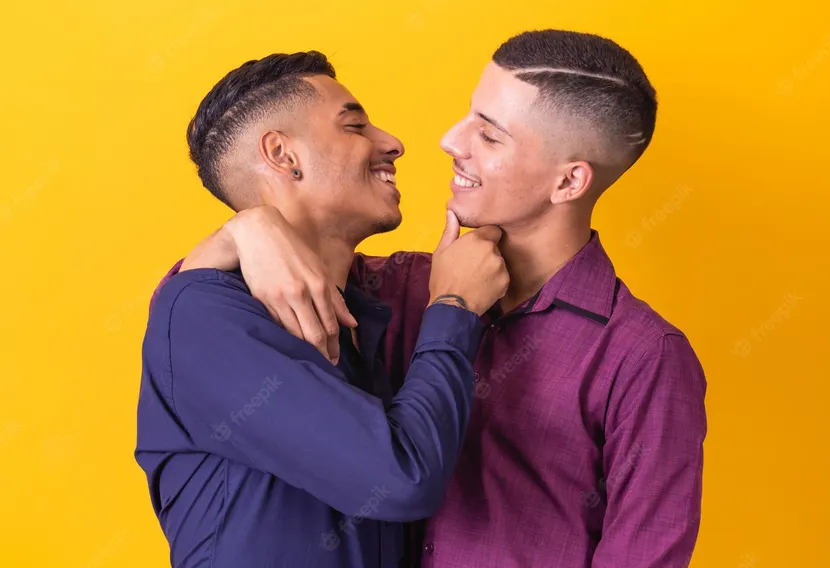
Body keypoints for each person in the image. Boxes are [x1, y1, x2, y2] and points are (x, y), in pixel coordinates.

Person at [171, 29, 708, 568]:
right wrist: (246, 230)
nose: (450, 141)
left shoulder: (644, 356)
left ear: (569, 183)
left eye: (489, 136)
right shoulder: (397, 288)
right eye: (467, 117)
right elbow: (197, 320)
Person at [135, 51, 510, 568]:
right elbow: (402, 478)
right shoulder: (204, 313)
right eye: (355, 126)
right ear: (282, 155)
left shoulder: (369, 305)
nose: (393, 143)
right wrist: (454, 306)